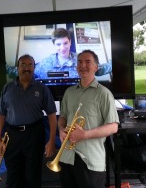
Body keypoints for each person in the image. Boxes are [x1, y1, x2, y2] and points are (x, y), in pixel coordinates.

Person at [58, 50, 119, 188]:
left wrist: (85, 134)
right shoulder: (69, 92)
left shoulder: (104, 93)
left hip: (90, 159)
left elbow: (113, 126)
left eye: (87, 62)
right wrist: (61, 130)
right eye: (79, 62)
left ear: (96, 67)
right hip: (67, 156)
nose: (83, 65)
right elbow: (63, 117)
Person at [0, 54, 57, 188]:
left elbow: (52, 115)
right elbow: (0, 115)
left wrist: (51, 140)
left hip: (34, 135)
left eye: (30, 65)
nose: (27, 68)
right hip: (12, 137)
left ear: (34, 68)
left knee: (32, 177)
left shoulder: (42, 89)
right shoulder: (7, 88)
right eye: (23, 65)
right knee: (13, 177)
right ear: (17, 68)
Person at [34, 28, 112, 79]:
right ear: (54, 45)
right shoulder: (44, 64)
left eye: (65, 43)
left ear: (70, 42)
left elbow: (99, 70)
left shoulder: (82, 59)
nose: (62, 48)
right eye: (58, 44)